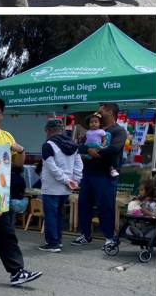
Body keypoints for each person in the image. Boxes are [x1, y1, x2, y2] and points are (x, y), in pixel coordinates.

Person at [0, 97, 42, 286]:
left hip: (0, 193)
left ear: (1, 115)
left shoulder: (7, 136)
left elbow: (17, 165)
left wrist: (20, 150)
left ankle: (17, 271)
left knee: (5, 234)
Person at [73, 102, 127, 247]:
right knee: (84, 204)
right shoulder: (93, 129)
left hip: (105, 174)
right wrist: (88, 150)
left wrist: (97, 152)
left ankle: (109, 237)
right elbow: (80, 146)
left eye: (101, 109)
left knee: (106, 206)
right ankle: (85, 234)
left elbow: (115, 148)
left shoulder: (118, 131)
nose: (98, 112)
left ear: (110, 111)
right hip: (88, 173)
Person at [38, 118, 82, 252]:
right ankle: (58, 240)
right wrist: (75, 180)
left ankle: (52, 243)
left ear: (49, 131)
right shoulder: (73, 145)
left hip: (52, 187)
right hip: (66, 188)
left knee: (51, 215)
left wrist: (66, 180)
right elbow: (79, 164)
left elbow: (52, 168)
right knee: (59, 215)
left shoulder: (48, 145)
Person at [83, 113, 117, 178]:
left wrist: (102, 146)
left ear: (99, 123)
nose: (93, 123)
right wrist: (85, 147)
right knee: (86, 157)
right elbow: (87, 140)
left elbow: (105, 140)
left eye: (96, 122)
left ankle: (112, 169)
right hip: (89, 147)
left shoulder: (101, 131)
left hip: (98, 146)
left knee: (107, 157)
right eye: (91, 122)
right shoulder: (88, 132)